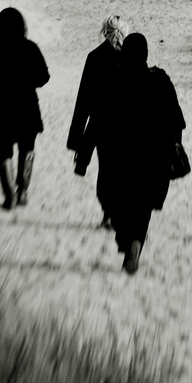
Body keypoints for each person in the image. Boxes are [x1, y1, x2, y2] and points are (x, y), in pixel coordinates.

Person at [93, 33, 184, 274]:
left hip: (118, 157)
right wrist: (173, 146)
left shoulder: (113, 79)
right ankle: (135, 244)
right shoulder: (161, 80)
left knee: (114, 202)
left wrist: (86, 150)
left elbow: (98, 120)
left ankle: (126, 241)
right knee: (142, 207)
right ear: (145, 54)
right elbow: (177, 121)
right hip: (153, 159)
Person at [0, 6, 50, 210]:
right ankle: (23, 192)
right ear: (22, 26)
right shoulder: (30, 47)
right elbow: (44, 77)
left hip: (0, 107)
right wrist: (27, 80)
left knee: (3, 152)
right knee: (28, 149)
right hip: (27, 107)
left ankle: (9, 198)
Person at [68, 14, 129, 228]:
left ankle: (108, 215)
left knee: (106, 171)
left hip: (100, 124)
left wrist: (75, 139)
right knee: (122, 170)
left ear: (104, 31)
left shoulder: (94, 57)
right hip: (126, 125)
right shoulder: (131, 57)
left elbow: (83, 99)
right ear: (124, 31)